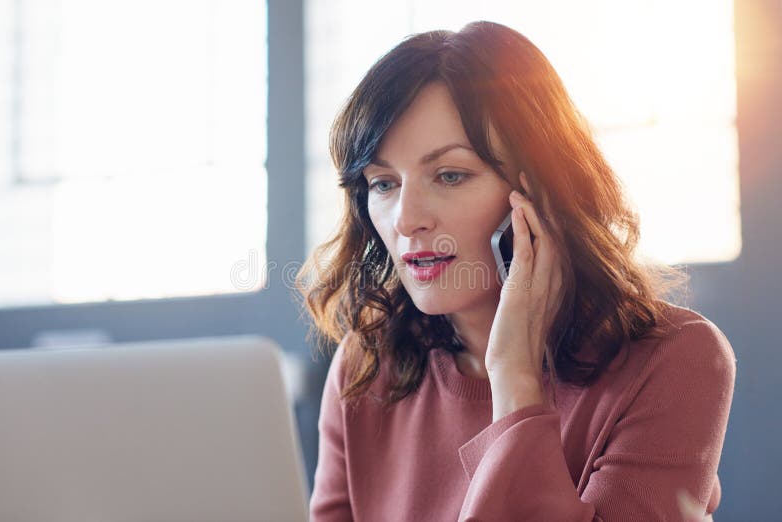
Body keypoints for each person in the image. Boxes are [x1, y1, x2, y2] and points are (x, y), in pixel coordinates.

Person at [296, 20, 736, 522]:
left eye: (450, 175)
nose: (406, 218)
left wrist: (515, 380)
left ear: (543, 194)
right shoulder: (366, 366)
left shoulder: (675, 359)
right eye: (382, 183)